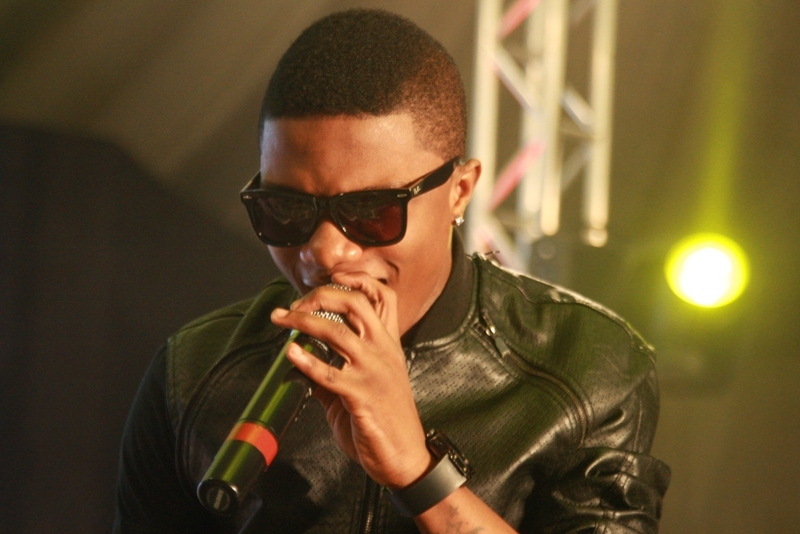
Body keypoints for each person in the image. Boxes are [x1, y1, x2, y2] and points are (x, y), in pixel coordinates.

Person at [114, 8, 670, 533]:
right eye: (285, 210)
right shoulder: (194, 372)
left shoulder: (586, 365)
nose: (326, 251)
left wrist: (417, 469)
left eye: (370, 212)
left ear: (460, 191)